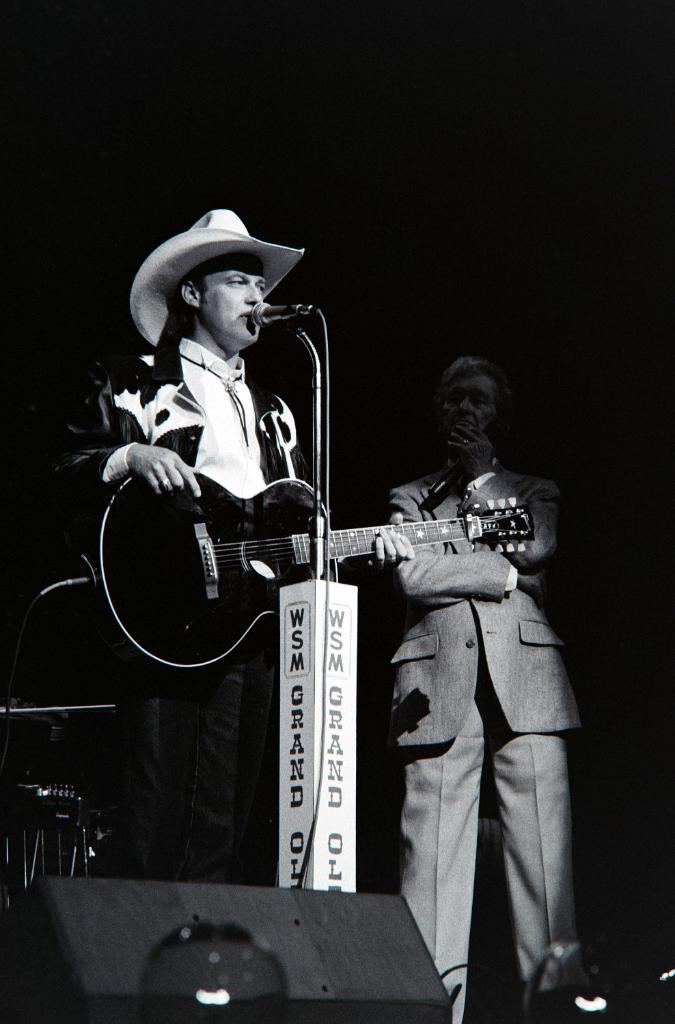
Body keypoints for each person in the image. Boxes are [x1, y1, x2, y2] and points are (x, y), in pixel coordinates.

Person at [388, 356, 582, 1021]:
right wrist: (500, 576)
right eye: (452, 401)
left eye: (476, 402)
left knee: (544, 880)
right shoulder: (410, 497)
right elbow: (413, 577)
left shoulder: (532, 488)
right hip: (436, 685)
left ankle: (555, 1010)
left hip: (527, 683)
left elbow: (535, 545)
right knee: (430, 876)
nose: (463, 412)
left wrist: (483, 504)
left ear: (497, 416)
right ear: (438, 412)